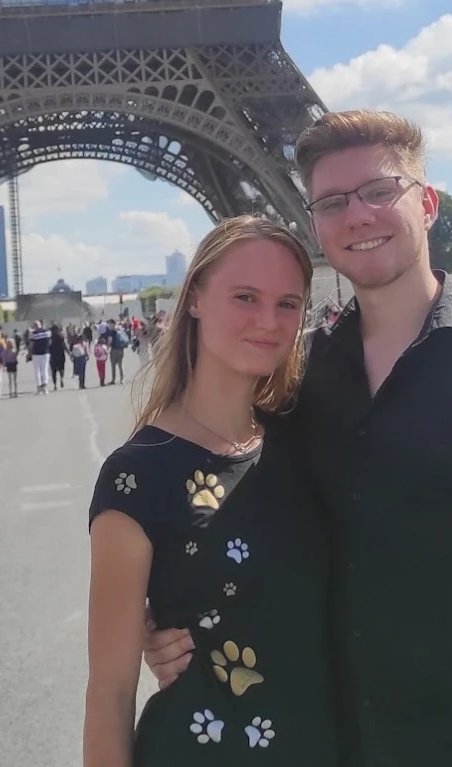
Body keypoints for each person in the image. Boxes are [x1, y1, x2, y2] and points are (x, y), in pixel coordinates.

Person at [146, 111, 452, 766]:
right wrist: (159, 616)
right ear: (316, 223)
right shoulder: (302, 379)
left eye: (378, 191)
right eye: (333, 202)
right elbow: (226, 510)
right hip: (347, 744)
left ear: (427, 203)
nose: (357, 215)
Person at [86, 217, 337, 766]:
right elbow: (109, 693)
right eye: (246, 297)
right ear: (195, 296)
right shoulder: (136, 476)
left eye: (288, 304)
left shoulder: (307, 441)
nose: (268, 321)